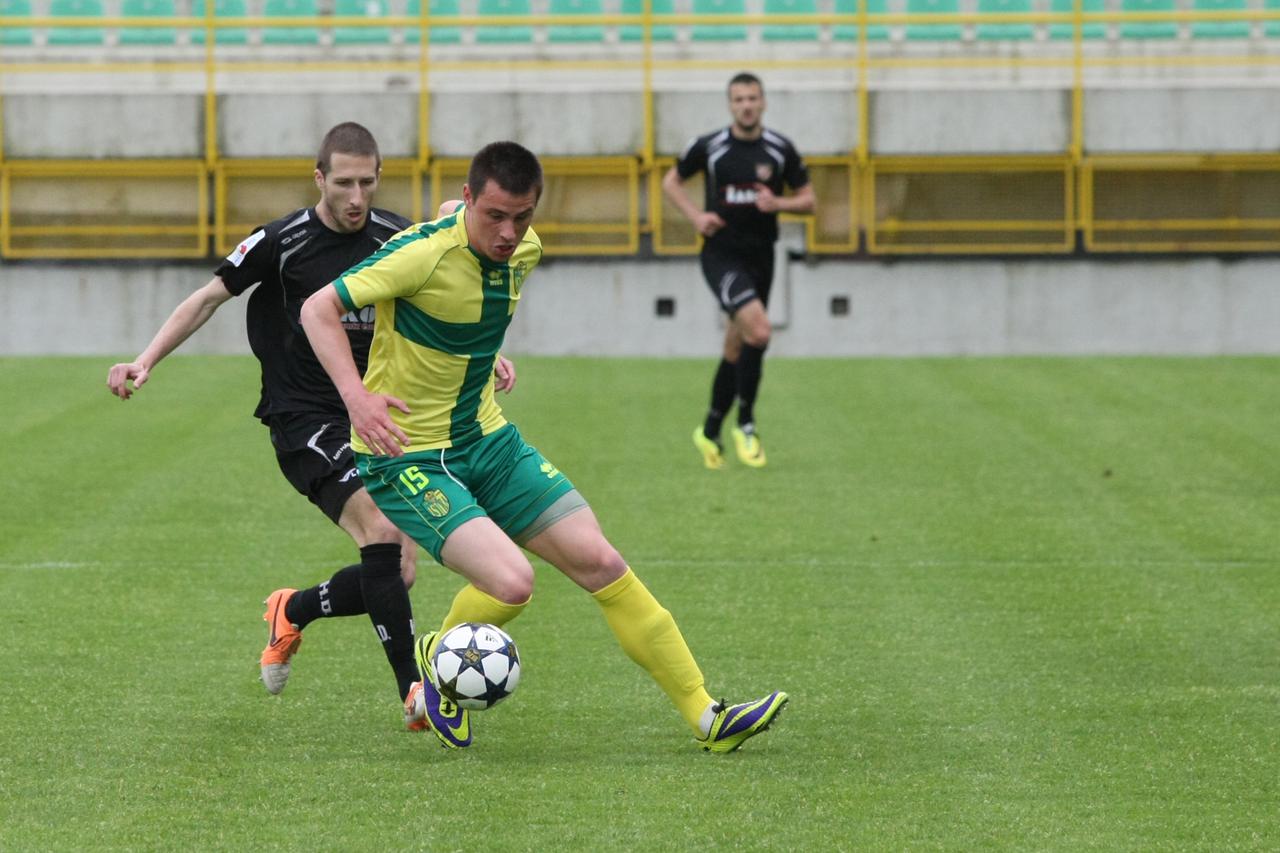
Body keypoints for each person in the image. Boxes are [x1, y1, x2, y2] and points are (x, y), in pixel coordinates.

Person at [299, 140, 787, 753]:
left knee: (603, 563)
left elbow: (467, 274)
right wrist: (357, 399)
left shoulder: (523, 248)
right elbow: (318, 310)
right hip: (406, 456)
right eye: (494, 216)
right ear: (471, 201)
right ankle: (439, 655)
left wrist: (484, 355)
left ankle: (707, 717)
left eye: (522, 217)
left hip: (488, 438)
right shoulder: (420, 256)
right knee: (513, 583)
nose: (508, 233)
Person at [107, 123, 511, 716]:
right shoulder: (282, 240)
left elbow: (440, 299)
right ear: (319, 178)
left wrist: (486, 352)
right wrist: (145, 359)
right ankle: (414, 692)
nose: (355, 197)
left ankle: (291, 610)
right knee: (380, 528)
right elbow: (207, 298)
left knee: (398, 570)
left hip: (374, 415)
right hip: (304, 419)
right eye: (343, 182)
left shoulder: (397, 235)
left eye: (366, 183)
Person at [662, 71, 816, 470]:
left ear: (763, 102)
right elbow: (671, 181)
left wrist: (778, 205)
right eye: (739, 99)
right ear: (730, 105)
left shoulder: (780, 150)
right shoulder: (710, 147)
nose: (746, 105)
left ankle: (709, 431)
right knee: (761, 331)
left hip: (762, 256)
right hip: (722, 256)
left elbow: (809, 200)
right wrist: (696, 216)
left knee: (738, 345)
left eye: (752, 98)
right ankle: (746, 424)